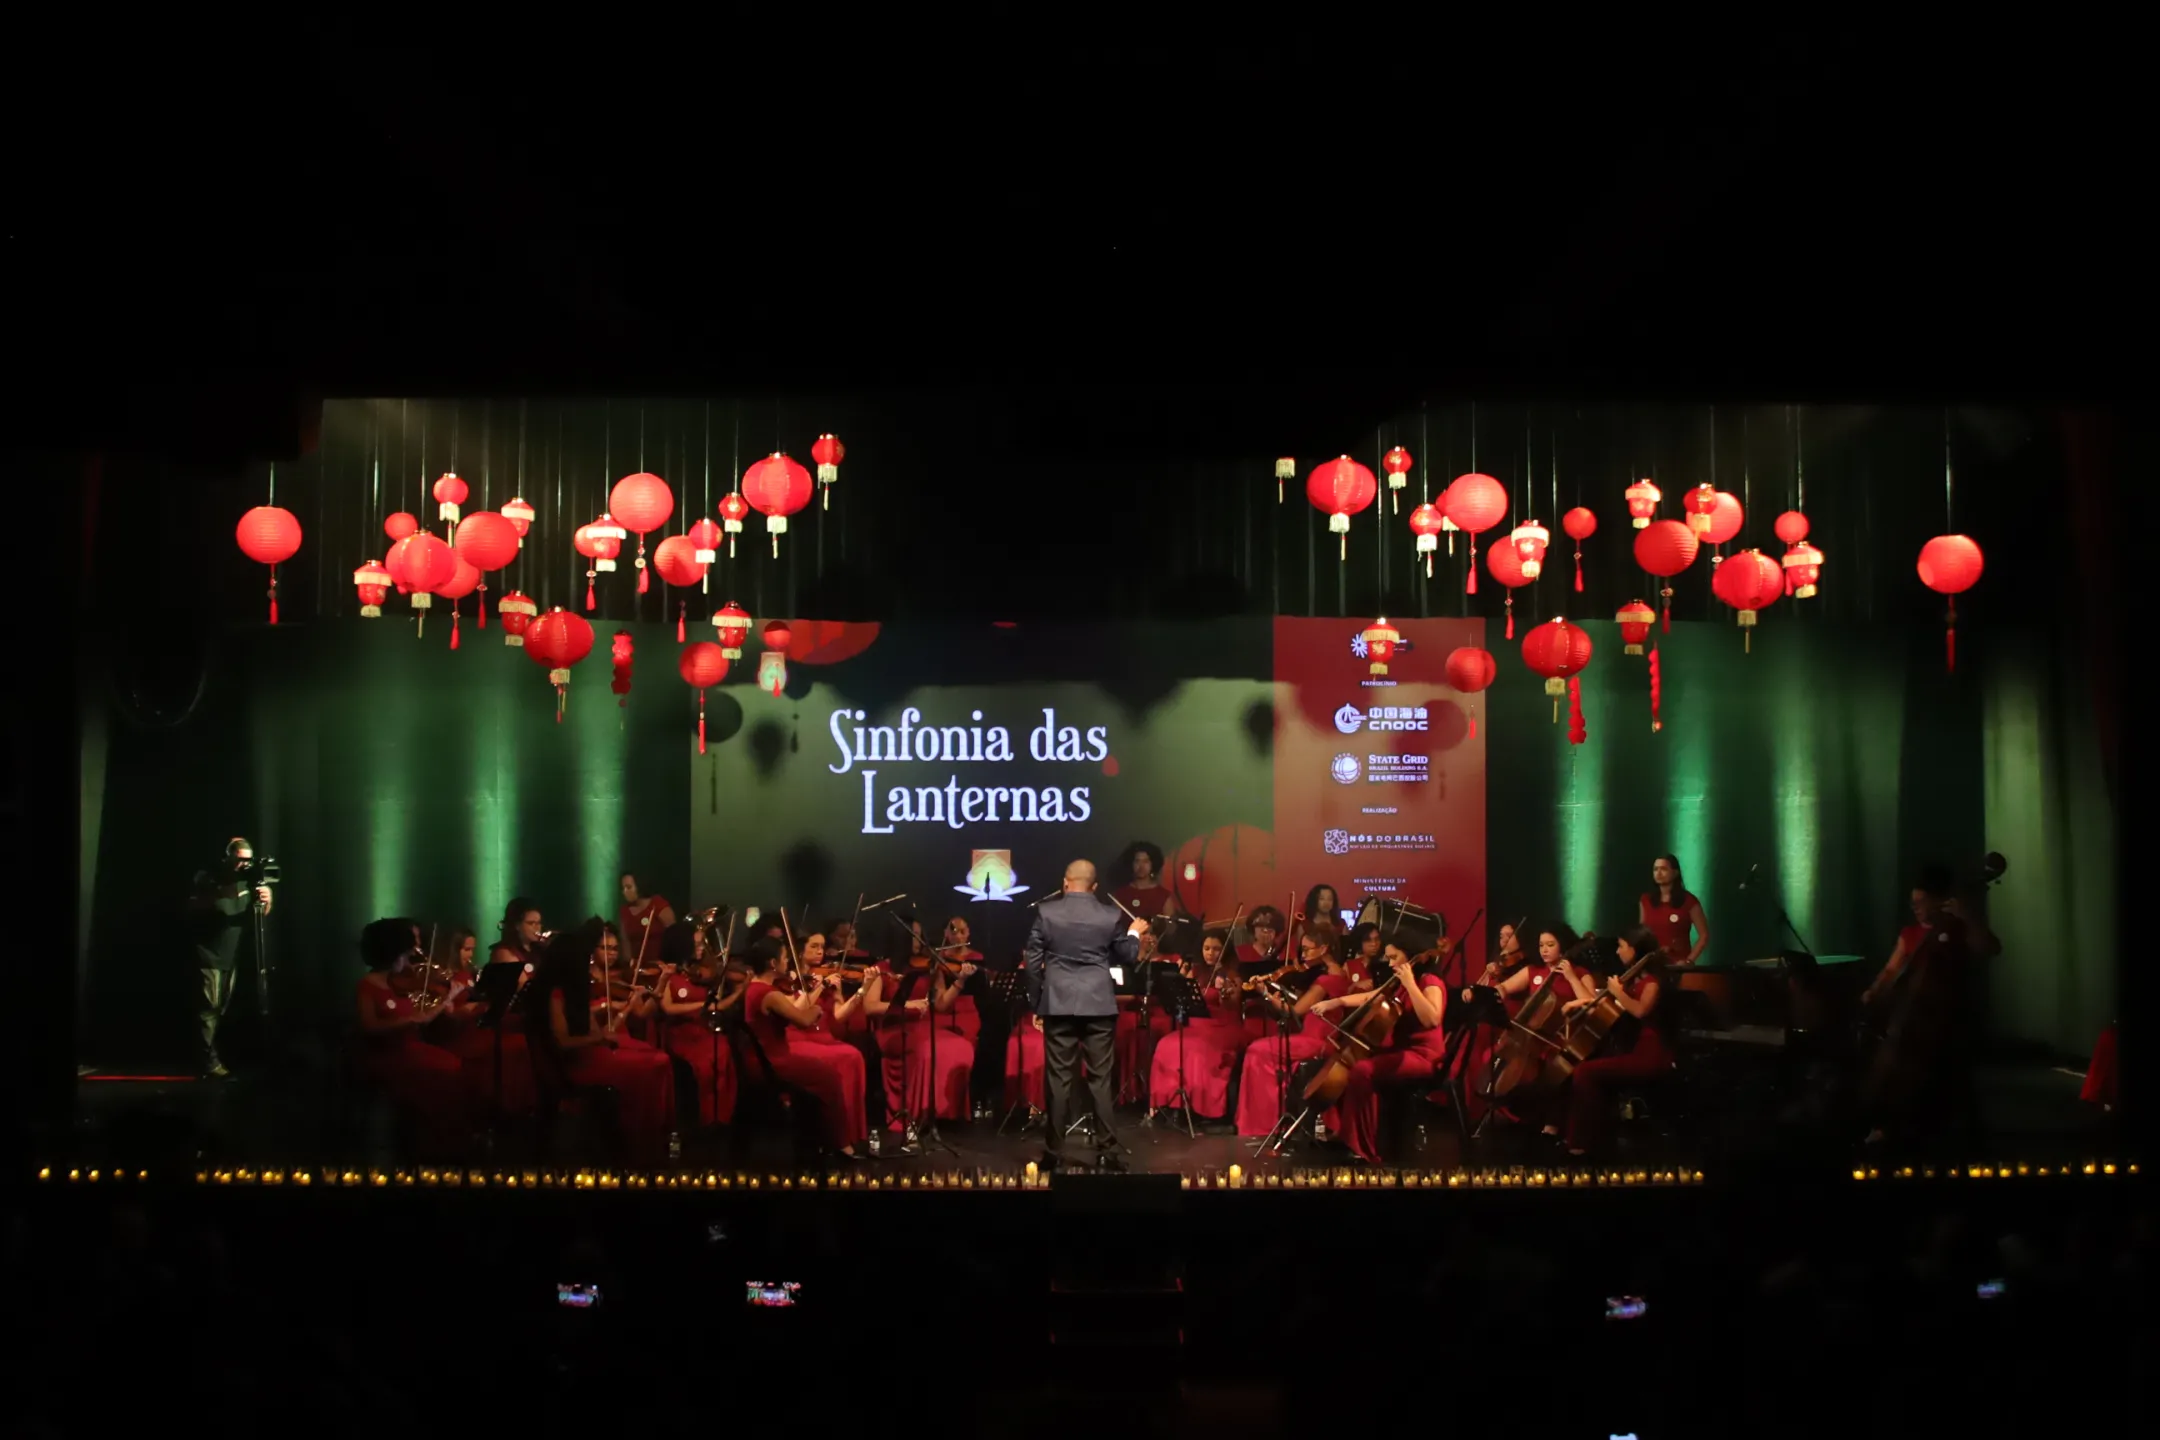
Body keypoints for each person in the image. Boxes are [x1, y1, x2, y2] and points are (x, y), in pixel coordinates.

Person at [1857, 865, 2001, 1149]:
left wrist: (1967, 915)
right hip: (1918, 1018)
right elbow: (1891, 970)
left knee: (1936, 1066)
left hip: (1952, 1018)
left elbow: (1989, 948)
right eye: (1913, 902)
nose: (1916, 908)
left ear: (1941, 901)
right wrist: (1874, 990)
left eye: (1922, 902)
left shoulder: (1958, 927)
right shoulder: (1910, 934)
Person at [1023, 859, 1146, 1169]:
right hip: (1098, 1004)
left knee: (1058, 1080)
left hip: (1058, 1003)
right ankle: (1107, 1151)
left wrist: (1037, 1004)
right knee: (1100, 1081)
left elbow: (1032, 964)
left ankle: (1054, 1152)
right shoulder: (1109, 915)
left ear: (1065, 883)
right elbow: (1128, 955)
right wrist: (1134, 933)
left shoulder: (1047, 913)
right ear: (1095, 887)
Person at [527, 919, 677, 1165]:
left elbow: (599, 1031)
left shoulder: (575, 990)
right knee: (650, 1067)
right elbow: (563, 1042)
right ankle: (636, 1144)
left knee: (657, 1061)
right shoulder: (556, 994)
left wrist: (606, 1035)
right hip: (576, 1064)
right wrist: (601, 1037)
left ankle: (652, 1138)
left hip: (592, 1055)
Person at [1308, 939, 1450, 1165]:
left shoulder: (1429, 981)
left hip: (1424, 1056)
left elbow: (1432, 1019)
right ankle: (1342, 1131)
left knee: (1363, 1070)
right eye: (1388, 957)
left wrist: (1411, 984)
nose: (1390, 963)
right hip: (1402, 1051)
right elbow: (1373, 996)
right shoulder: (1400, 982)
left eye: (1394, 957)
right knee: (1352, 1061)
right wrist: (1335, 1002)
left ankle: (1363, 1146)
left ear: (1411, 956)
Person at [740, 938, 868, 1159]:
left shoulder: (754, 988)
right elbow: (803, 1020)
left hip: (762, 1058)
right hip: (772, 1061)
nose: (787, 961)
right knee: (830, 1077)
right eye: (784, 957)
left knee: (822, 1075)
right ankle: (839, 1143)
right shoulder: (769, 994)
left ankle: (817, 1140)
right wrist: (817, 1009)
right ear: (773, 963)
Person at [352, 917, 466, 1157]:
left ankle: (436, 1145)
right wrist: (410, 1019)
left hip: (408, 1050)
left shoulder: (397, 983)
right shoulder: (367, 985)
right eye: (404, 955)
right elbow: (369, 1026)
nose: (409, 960)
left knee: (454, 1066)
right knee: (446, 1071)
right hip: (386, 1057)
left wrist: (444, 999)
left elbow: (422, 1016)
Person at [1556, 927, 1675, 1156]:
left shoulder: (1652, 981)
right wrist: (1579, 1004)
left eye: (1621, 946)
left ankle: (1581, 1143)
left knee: (1585, 1072)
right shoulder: (1633, 979)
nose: (1618, 952)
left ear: (1634, 949)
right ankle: (1590, 1139)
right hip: (1631, 1047)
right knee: (1583, 1068)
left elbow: (1640, 1010)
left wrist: (1618, 992)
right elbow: (1610, 1007)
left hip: (1649, 1053)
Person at [1233, 925, 1352, 1137]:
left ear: (1324, 948)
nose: (1302, 955)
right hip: (1315, 1038)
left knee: (1257, 1050)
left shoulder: (1327, 979)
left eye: (1307, 949)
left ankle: (1264, 1123)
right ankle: (1267, 1120)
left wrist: (1266, 994)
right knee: (1260, 1049)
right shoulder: (1336, 973)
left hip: (1316, 1040)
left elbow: (1295, 1011)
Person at [186, 838, 273, 1077]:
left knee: (221, 1009)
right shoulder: (208, 878)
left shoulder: (248, 882)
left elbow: (259, 914)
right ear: (229, 858)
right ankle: (207, 1063)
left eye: (248, 860)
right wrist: (230, 888)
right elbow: (199, 906)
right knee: (208, 1009)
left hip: (230, 955)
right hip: (208, 955)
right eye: (240, 860)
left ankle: (212, 1057)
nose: (245, 865)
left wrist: (267, 899)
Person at [1640, 855, 1710, 966]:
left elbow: (1704, 935)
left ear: (1675, 873)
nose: (1659, 873)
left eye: (1663, 869)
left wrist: (1689, 961)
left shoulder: (1689, 901)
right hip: (1651, 964)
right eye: (1655, 869)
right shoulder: (1646, 900)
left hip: (1677, 965)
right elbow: (1642, 934)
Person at [617, 873, 676, 972]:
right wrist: (629, 967)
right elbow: (625, 942)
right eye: (623, 888)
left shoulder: (658, 904)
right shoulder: (624, 911)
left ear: (639, 886)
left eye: (629, 887)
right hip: (637, 969)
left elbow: (675, 937)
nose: (624, 892)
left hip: (661, 967)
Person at [1112, 842, 1176, 920]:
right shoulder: (1120, 894)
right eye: (1137, 861)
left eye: (1146, 861)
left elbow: (1170, 924)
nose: (1141, 866)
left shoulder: (1163, 896)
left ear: (1153, 864)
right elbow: (1112, 923)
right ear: (1131, 864)